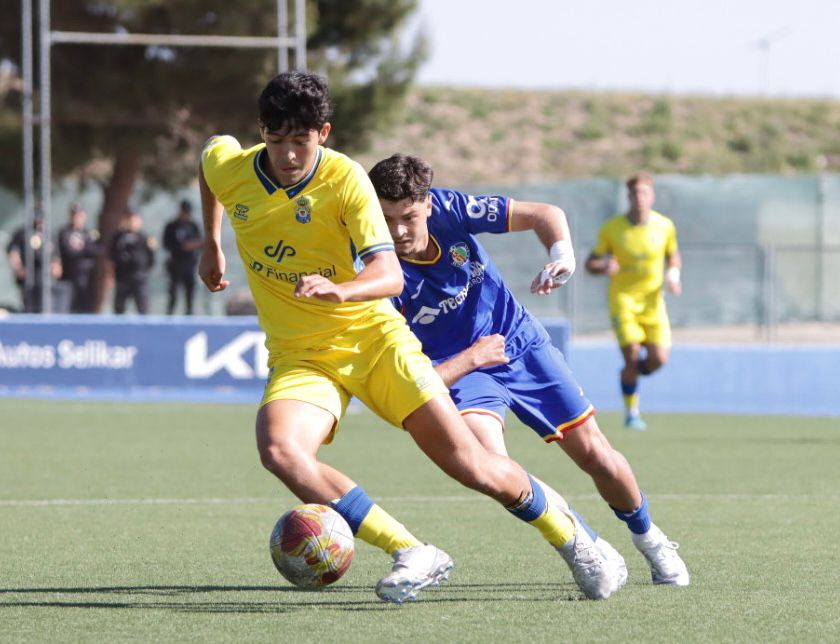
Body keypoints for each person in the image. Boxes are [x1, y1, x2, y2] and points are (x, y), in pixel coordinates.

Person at [198, 71, 620, 604]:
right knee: (281, 451)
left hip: (376, 342)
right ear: (263, 131)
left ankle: (575, 539)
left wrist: (341, 291)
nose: (288, 156)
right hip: (302, 355)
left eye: (301, 143)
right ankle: (412, 551)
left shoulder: (347, 181)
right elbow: (210, 164)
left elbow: (390, 275)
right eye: (277, 141)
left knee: (474, 467)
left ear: (323, 133)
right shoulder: (231, 166)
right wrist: (210, 244)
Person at [367, 153, 689, 588]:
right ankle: (587, 542)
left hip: (520, 343)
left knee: (597, 456)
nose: (398, 231)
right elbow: (406, 383)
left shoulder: (451, 208)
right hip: (463, 369)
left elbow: (545, 214)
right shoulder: (372, 267)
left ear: (427, 204)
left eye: (408, 216)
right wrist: (471, 359)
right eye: (387, 218)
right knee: (493, 467)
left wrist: (562, 256)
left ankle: (651, 539)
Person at [585, 172, 682, 431]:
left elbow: (673, 256)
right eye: (635, 193)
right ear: (628, 196)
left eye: (644, 193)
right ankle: (631, 412)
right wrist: (604, 265)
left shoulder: (664, 226)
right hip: (624, 300)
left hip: (653, 301)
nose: (640, 198)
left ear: (652, 196)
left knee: (658, 359)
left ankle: (629, 375)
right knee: (632, 354)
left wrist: (673, 276)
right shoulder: (612, 228)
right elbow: (589, 263)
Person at [5, 212, 61, 313]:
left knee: (43, 299)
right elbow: (13, 251)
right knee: (28, 299)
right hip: (28, 271)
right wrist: (18, 267)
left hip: (44, 271)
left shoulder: (48, 234)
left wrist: (56, 266)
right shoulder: (23, 233)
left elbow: (55, 255)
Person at [109, 210, 156, 314]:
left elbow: (151, 258)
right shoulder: (119, 238)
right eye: (131, 219)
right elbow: (112, 255)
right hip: (123, 278)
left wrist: (142, 270)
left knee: (143, 309)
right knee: (119, 309)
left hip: (139, 278)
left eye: (136, 220)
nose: (133, 222)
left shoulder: (145, 238)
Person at [57, 203, 100, 313]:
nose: (77, 218)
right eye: (75, 215)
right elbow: (69, 252)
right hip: (69, 277)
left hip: (88, 278)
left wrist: (82, 246)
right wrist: (84, 248)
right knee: (68, 309)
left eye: (80, 215)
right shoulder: (65, 232)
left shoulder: (90, 234)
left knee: (86, 310)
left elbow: (96, 251)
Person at [163, 199, 202, 315]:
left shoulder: (193, 226)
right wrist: (181, 247)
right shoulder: (171, 226)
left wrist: (193, 246)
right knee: (173, 292)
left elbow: (200, 243)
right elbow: (166, 244)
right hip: (175, 264)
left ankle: (189, 314)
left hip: (190, 264)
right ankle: (169, 315)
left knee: (190, 292)